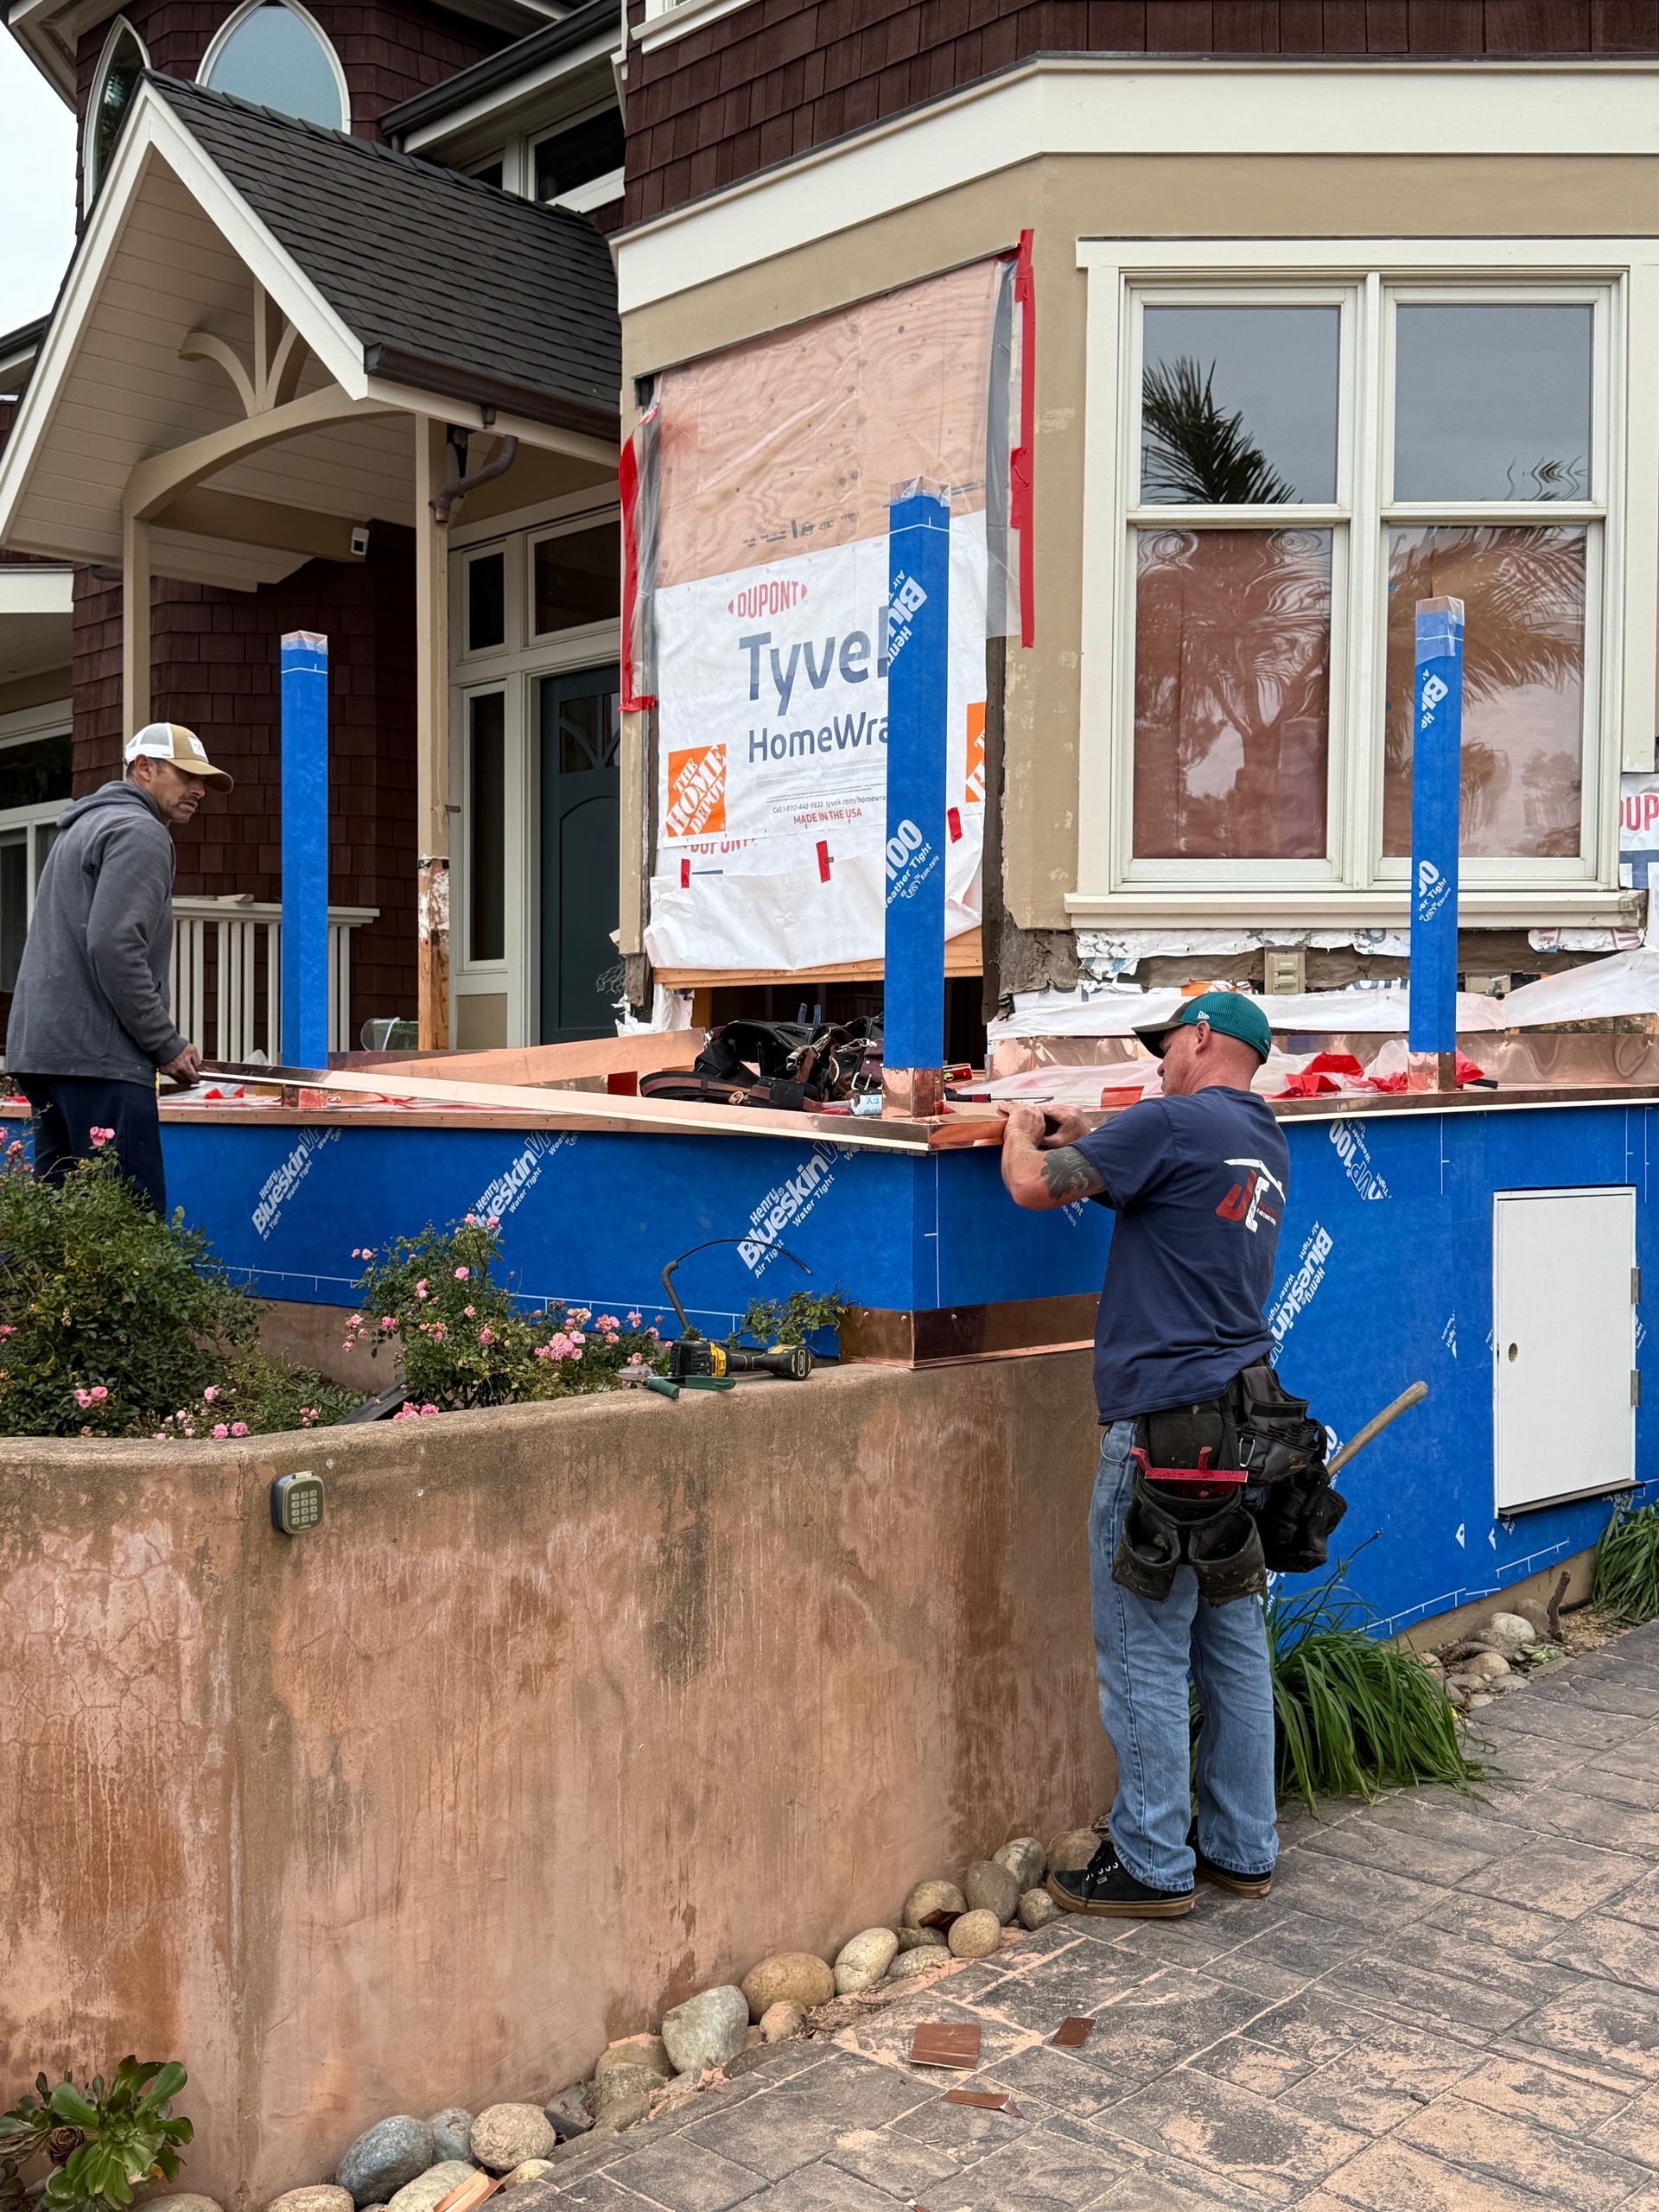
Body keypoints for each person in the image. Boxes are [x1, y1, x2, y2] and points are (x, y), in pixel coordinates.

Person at [1000, 988, 1287, 1919]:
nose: (1158, 1063)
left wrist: (1017, 1125)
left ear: (1201, 1038)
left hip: (1160, 1430)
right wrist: (1099, 1125)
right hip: (1241, 1423)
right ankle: (1243, 1849)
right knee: (1233, 1642)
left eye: (1166, 1047)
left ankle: (1155, 1862)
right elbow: (1156, 1154)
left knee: (1144, 1646)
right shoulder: (1259, 1136)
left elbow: (1033, 1188)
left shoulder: (1172, 1124)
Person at [7, 721, 232, 1215]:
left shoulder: (82, 827)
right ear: (144, 768)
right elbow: (114, 945)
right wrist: (164, 1043)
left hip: (44, 1054)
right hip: (100, 1061)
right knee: (127, 1231)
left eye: (204, 781)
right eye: (186, 774)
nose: (197, 789)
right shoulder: (140, 831)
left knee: (63, 1231)